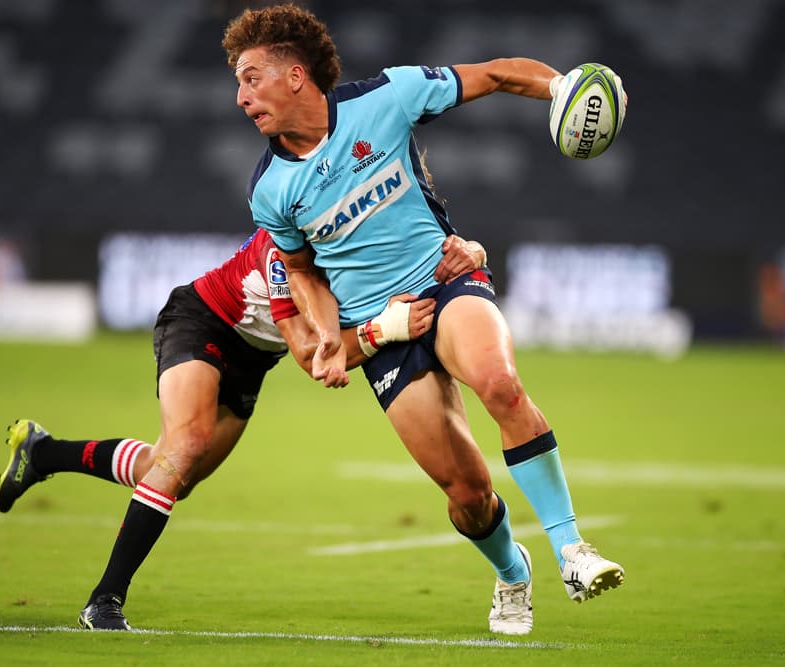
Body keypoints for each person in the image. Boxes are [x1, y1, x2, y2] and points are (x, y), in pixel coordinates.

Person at [222, 3, 625, 636]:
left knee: (500, 384)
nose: (241, 96)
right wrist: (331, 333)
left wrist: (561, 87)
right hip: (386, 331)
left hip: (445, 282)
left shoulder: (388, 96)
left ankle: (572, 550)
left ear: (295, 75)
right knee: (467, 494)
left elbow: (494, 75)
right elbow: (301, 271)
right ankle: (512, 571)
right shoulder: (271, 189)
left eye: (251, 77)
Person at [0, 227, 487, 630]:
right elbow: (304, 350)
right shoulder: (283, 250)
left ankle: (42, 453)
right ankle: (104, 601)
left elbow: (432, 249)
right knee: (185, 446)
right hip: (201, 322)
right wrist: (385, 329)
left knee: (169, 473)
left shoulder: (356, 240)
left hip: (252, 360)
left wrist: (471, 251)